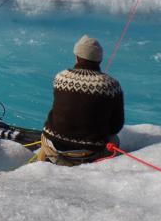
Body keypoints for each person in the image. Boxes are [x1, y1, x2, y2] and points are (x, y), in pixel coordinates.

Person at [39, 35, 124, 166]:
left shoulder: (61, 78)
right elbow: (116, 126)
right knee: (115, 140)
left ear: (77, 57)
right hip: (90, 154)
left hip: (53, 148)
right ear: (99, 60)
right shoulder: (112, 85)